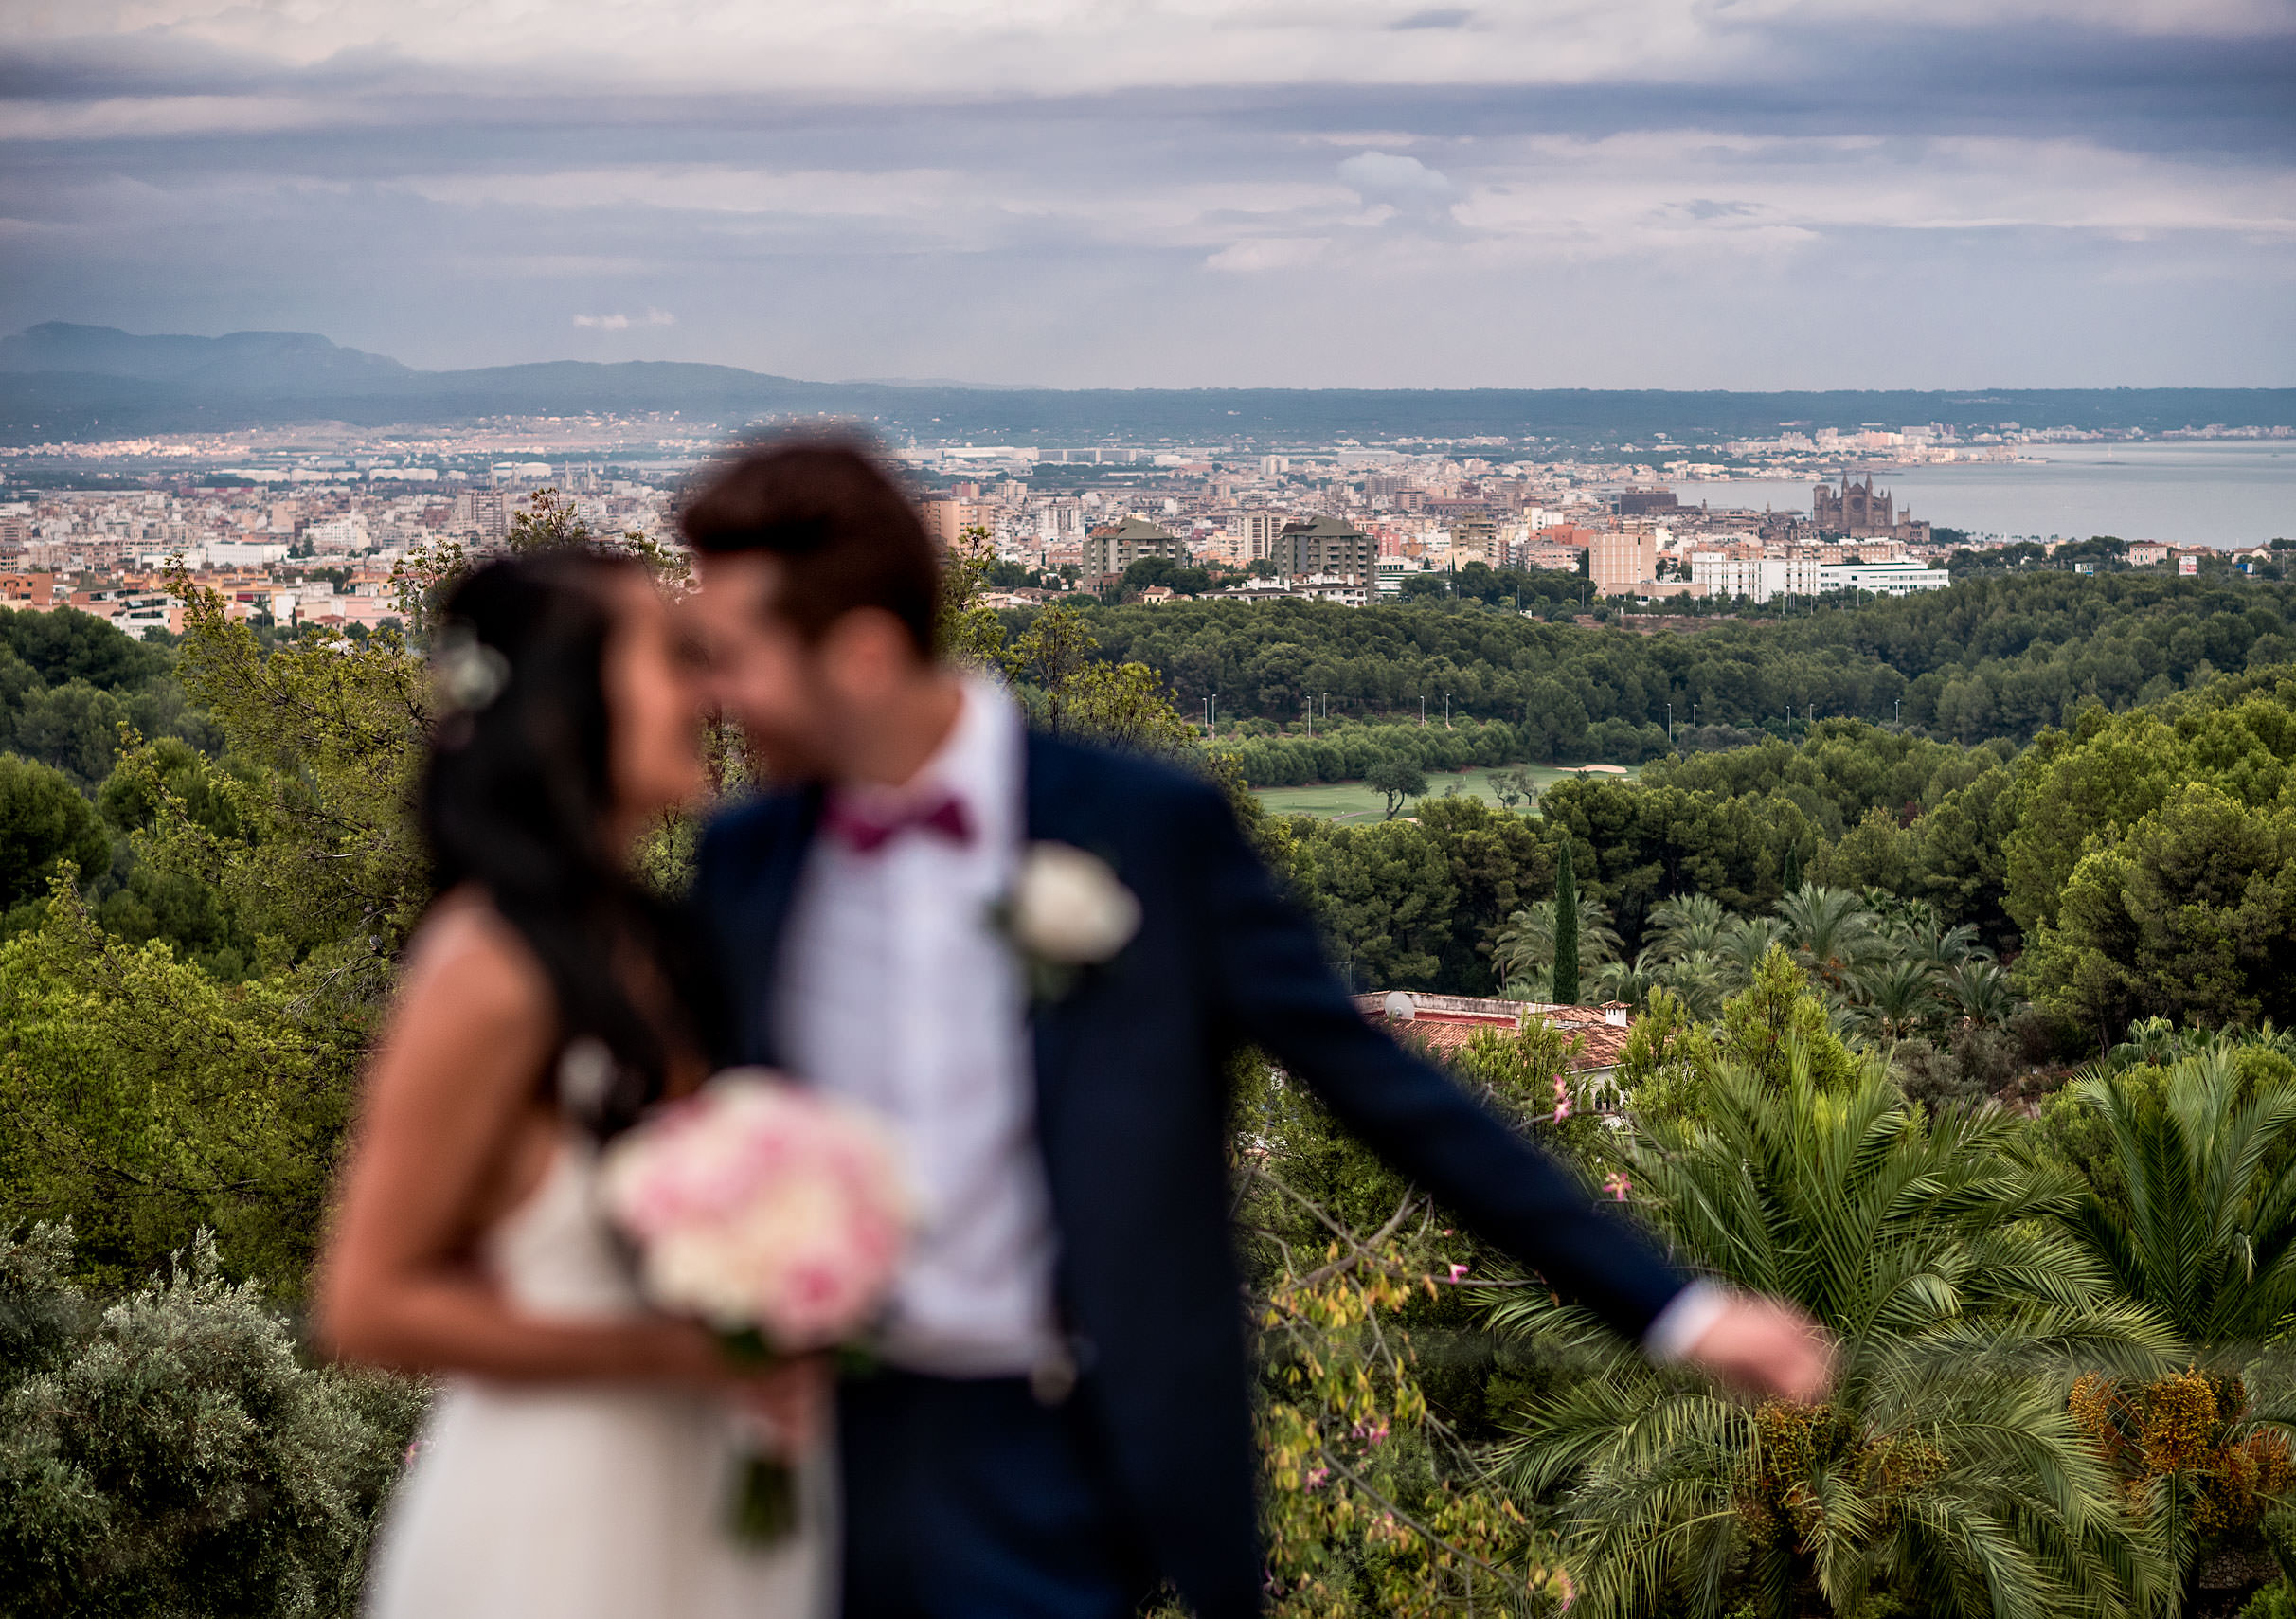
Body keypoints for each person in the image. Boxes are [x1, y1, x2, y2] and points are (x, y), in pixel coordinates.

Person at [682, 440, 1831, 1619]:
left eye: (734, 658)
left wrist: (1669, 1305)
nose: (714, 697)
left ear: (863, 653)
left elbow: (1377, 1083)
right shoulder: (746, 863)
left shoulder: (1145, 828)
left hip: (1066, 1458)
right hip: (812, 1462)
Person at [316, 552, 831, 1619]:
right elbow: (365, 1301)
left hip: (707, 1492)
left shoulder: (662, 941)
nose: (706, 693)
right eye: (669, 660)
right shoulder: (486, 968)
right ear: (566, 704)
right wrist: (672, 1352)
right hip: (558, 1514)